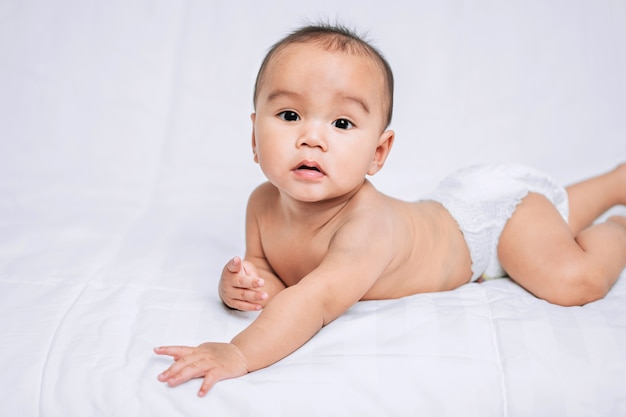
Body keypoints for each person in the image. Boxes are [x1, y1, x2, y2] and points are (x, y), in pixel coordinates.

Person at [155, 24, 626, 397]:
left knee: (571, 281)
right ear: (254, 136)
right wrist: (236, 287)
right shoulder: (261, 203)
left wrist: (238, 354)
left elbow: (313, 300)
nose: (311, 137)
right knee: (552, 220)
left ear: (378, 153)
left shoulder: (365, 225)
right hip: (451, 209)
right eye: (290, 115)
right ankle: (615, 181)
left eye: (341, 122)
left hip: (489, 230)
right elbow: (268, 279)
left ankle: (619, 226)